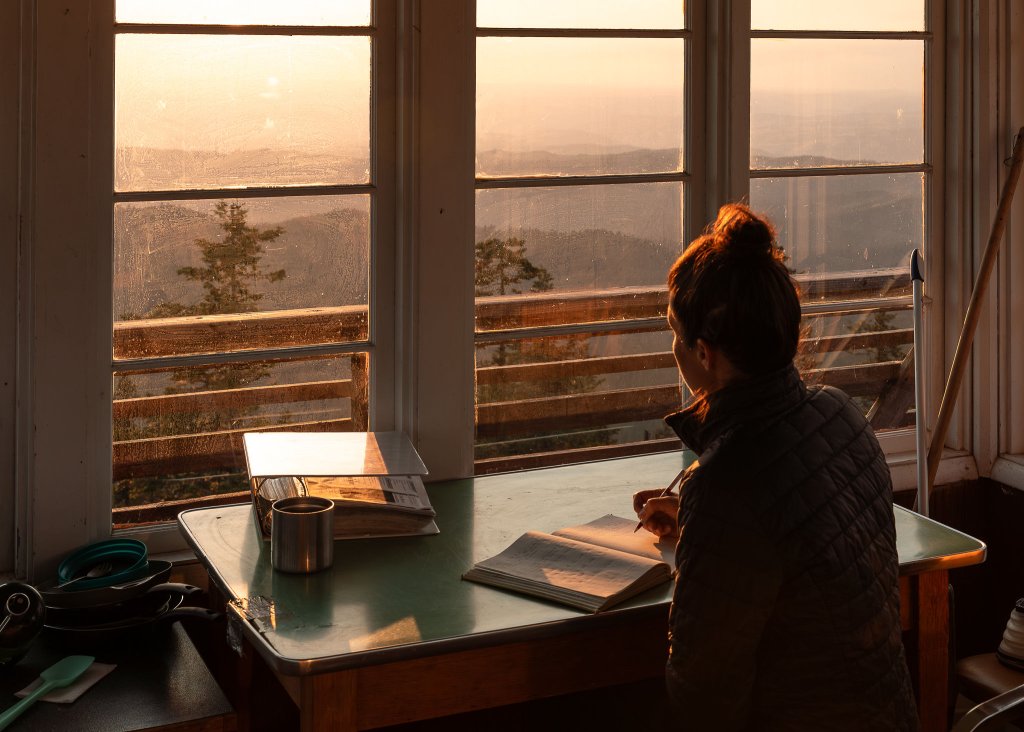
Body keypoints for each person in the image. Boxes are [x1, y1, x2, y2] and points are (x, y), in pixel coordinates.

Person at [634, 203, 919, 731]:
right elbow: (799, 530)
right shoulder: (840, 416)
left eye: (675, 333)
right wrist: (700, 520)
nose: (674, 348)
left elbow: (703, 697)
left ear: (705, 352)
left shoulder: (726, 483)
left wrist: (710, 510)